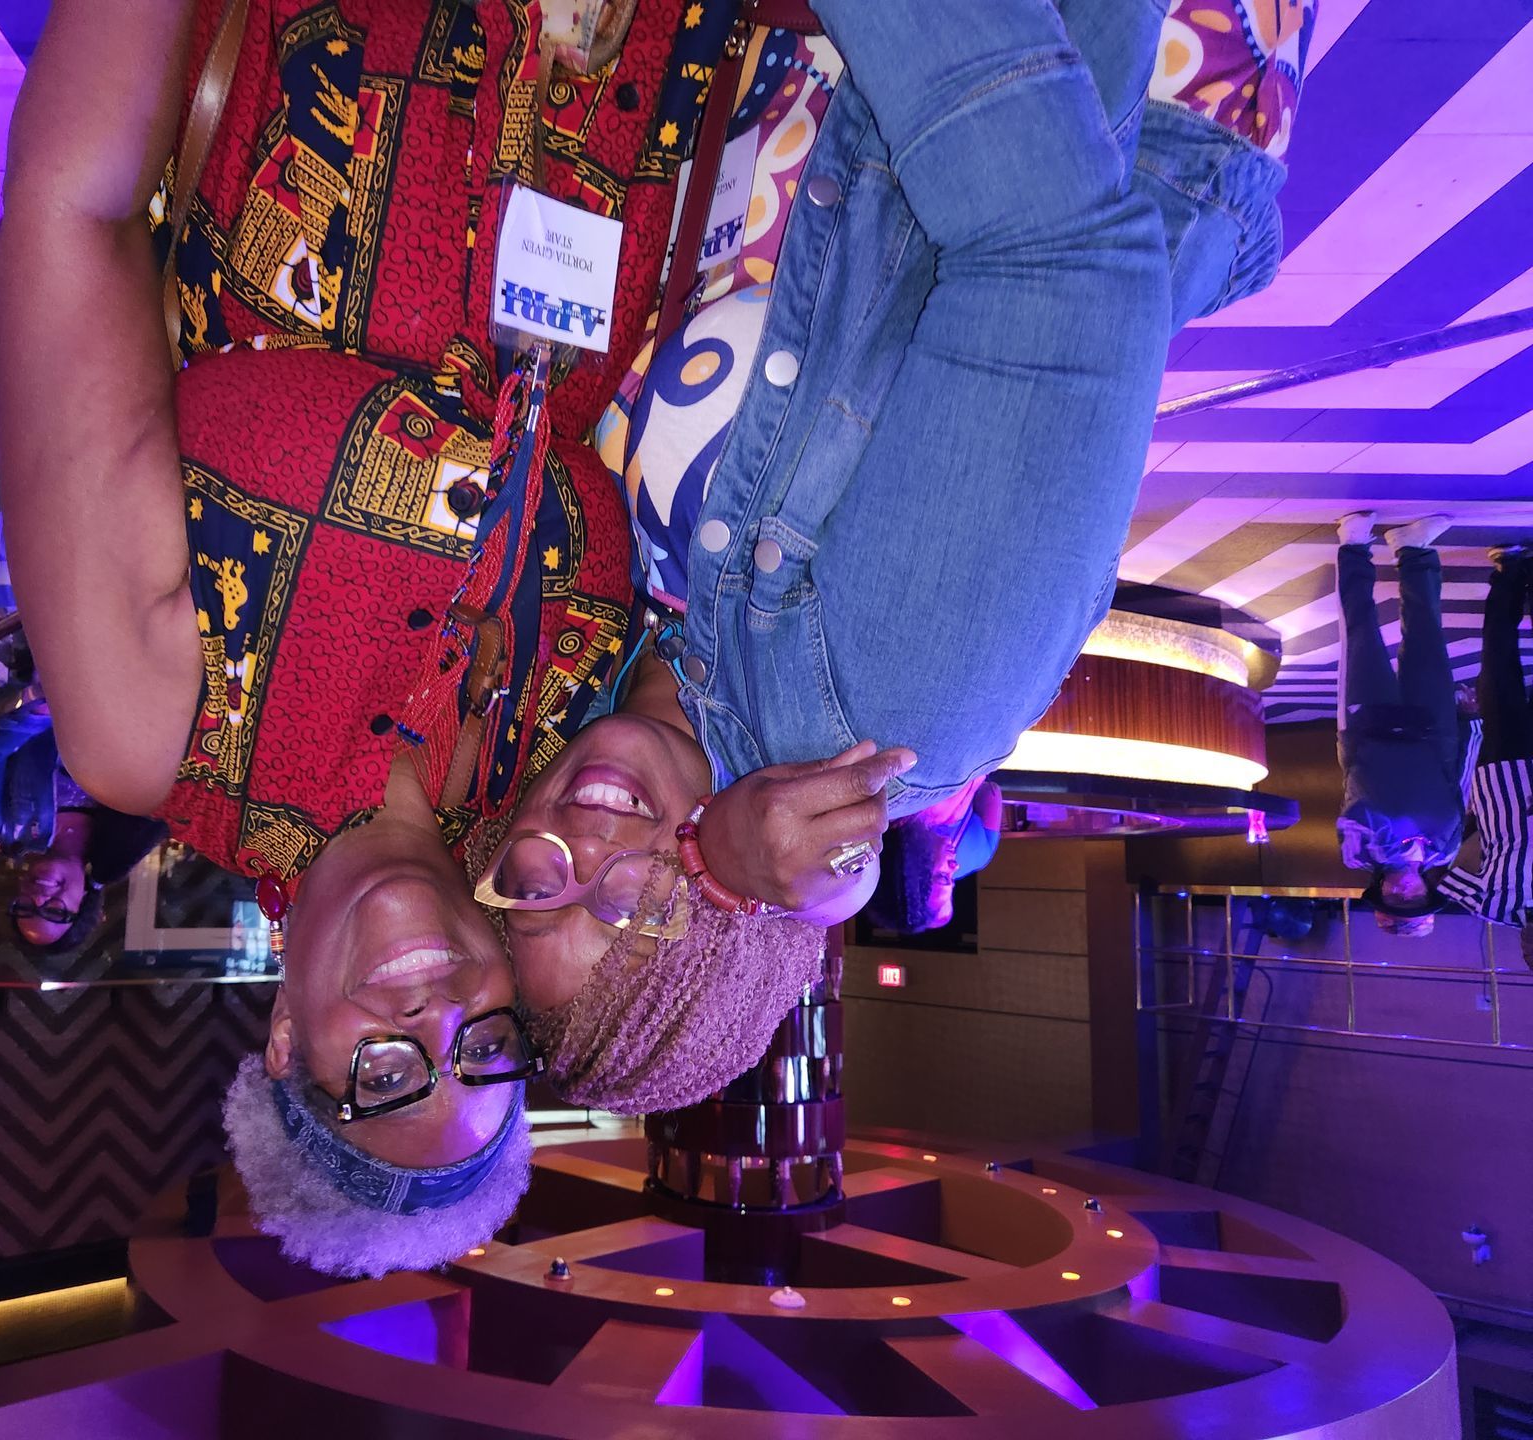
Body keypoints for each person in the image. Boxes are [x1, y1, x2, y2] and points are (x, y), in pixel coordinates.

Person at [0, 0, 736, 1272]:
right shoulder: (560, 801)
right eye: (485, 1052)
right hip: (629, 67)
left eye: (384, 1073)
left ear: (285, 1045)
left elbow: (72, 226)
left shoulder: (155, 732)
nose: (435, 1014)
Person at [492, 0, 1313, 1113]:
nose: (586, 852)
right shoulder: (880, 711)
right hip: (1093, 59)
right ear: (739, 907)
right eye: (636, 916)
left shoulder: (596, 644)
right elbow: (1058, 255)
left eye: (540, 892)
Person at [1332, 512, 1465, 938]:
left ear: (1382, 896)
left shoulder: (1358, 855)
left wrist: (1394, 851)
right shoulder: (1444, 851)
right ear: (1428, 892)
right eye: (1416, 900)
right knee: (1427, 636)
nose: (1407, 892)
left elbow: (1362, 803)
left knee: (1361, 634)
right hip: (1433, 733)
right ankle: (1414, 549)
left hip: (1369, 733)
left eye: (1398, 901)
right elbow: (1454, 786)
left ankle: (1353, 547)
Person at [0, 697, 167, 954]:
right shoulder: (125, 838)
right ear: (84, 902)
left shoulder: (1, 831)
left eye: (24, 907)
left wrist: (38, 715)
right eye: (55, 911)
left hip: (54, 686)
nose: (39, 898)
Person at [1438, 548, 1533, 969]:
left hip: (1502, 776)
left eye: (1531, 952)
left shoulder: (1490, 907)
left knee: (1497, 672)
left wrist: (1475, 824)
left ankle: (1510, 573)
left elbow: (1442, 871)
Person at [874, 779, 1005, 937]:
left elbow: (991, 786)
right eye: (952, 880)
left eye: (943, 877)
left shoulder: (931, 809)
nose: (956, 867)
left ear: (912, 869)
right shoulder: (889, 812)